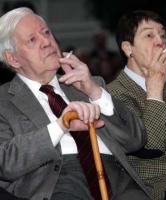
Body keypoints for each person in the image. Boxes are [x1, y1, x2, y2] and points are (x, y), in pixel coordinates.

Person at [0, 7, 152, 200]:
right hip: (57, 179)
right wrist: (60, 126)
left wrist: (94, 91)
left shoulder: (87, 84)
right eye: (32, 40)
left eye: (46, 33)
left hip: (116, 177)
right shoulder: (4, 101)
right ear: (12, 58)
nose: (47, 42)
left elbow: (136, 140)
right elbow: (4, 162)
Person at [107, 10, 166, 200]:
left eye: (163, 35)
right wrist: (155, 90)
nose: (160, 41)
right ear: (128, 48)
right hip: (153, 187)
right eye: (149, 35)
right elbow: (149, 147)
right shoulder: (112, 95)